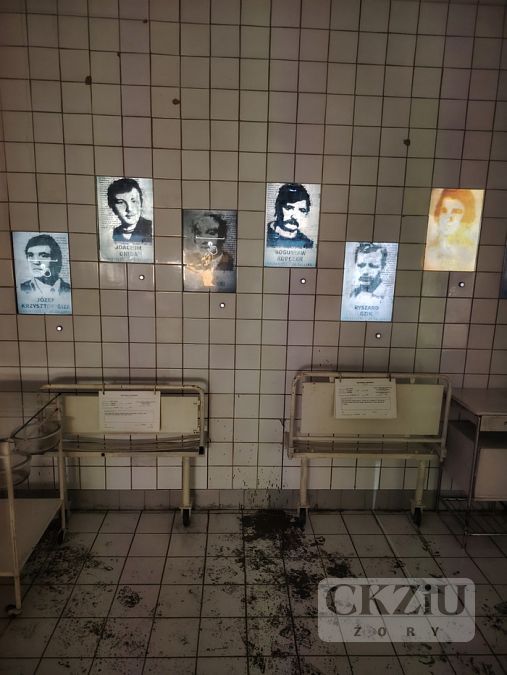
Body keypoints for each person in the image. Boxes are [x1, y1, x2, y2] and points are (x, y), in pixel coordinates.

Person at [424, 188, 479, 271]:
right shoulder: (430, 253)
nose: (448, 218)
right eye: (444, 211)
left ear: (466, 217)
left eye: (456, 212)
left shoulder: (469, 256)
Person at [184, 212, 235, 291]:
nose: (203, 240)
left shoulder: (232, 264)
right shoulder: (188, 263)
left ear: (223, 237)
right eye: (199, 233)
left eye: (211, 233)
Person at [266, 183, 313, 248]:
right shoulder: (264, 235)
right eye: (289, 208)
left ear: (306, 213)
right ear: (278, 208)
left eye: (302, 210)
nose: (295, 216)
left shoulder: (307, 244)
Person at [107, 177, 152, 243]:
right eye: (121, 202)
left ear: (141, 202)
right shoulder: (114, 233)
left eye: (134, 201)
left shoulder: (151, 227)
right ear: (112, 206)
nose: (129, 209)